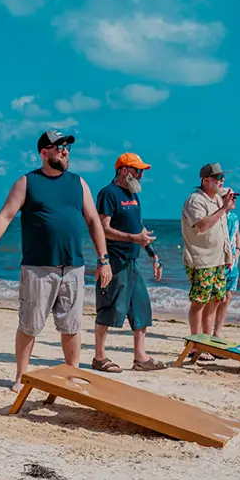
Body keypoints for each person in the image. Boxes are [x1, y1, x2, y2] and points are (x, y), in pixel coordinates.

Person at [0, 129, 113, 392]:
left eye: (67, 147)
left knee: (72, 325)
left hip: (73, 267)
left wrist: (104, 258)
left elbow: (93, 221)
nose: (65, 151)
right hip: (38, 268)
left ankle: (71, 375)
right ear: (44, 152)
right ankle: (21, 375)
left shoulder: (78, 183)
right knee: (30, 325)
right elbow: (5, 216)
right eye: (59, 146)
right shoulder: (27, 182)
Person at [91, 153, 167, 372]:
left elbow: (139, 228)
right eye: (137, 170)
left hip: (132, 262)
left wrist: (154, 255)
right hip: (114, 261)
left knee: (141, 308)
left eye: (142, 171)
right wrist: (132, 239)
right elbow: (103, 229)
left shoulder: (133, 195)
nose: (141, 175)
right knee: (109, 309)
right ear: (124, 170)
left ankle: (140, 358)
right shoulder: (108, 194)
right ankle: (99, 357)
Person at [180, 163, 234, 361]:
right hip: (201, 259)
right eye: (217, 178)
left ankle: (207, 341)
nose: (222, 181)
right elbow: (201, 226)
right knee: (199, 301)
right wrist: (223, 209)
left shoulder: (216, 199)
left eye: (222, 177)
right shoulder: (195, 200)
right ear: (205, 180)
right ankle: (194, 344)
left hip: (218, 259)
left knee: (216, 299)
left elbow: (221, 231)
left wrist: (229, 256)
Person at [213, 188, 240, 338]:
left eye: (235, 197)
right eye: (231, 197)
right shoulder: (217, 217)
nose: (234, 200)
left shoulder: (234, 217)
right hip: (219, 262)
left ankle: (218, 332)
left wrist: (238, 250)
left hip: (233, 263)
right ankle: (206, 332)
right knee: (217, 298)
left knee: (227, 296)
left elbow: (237, 234)